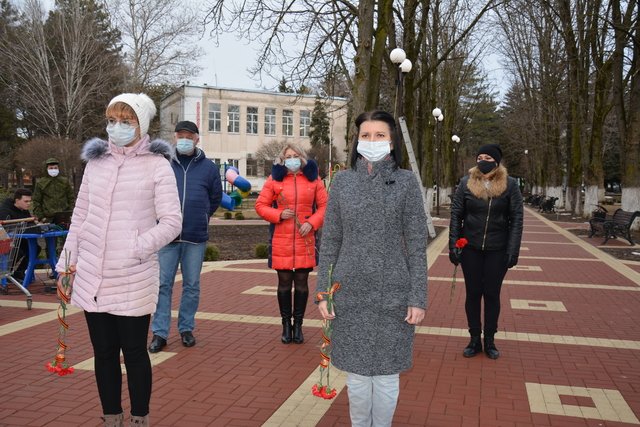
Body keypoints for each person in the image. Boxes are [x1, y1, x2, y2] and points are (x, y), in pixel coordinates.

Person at [56, 92, 182, 427]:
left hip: (132, 275)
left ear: (140, 125)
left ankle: (140, 416)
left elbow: (172, 221)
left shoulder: (157, 165)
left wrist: (137, 248)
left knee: (135, 353)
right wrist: (67, 265)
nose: (117, 127)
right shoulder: (96, 163)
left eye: (126, 121)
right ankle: (111, 415)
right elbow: (80, 216)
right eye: (112, 120)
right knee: (104, 354)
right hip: (93, 276)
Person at [316, 110, 428, 427]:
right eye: (366, 135)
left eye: (380, 135)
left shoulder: (406, 182)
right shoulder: (342, 182)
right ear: (357, 141)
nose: (372, 141)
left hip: (394, 292)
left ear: (392, 142)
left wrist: (418, 297)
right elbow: (331, 241)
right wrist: (323, 292)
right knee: (358, 379)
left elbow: (417, 245)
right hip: (349, 292)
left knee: (387, 375)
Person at [149, 121, 222, 353]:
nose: (184, 140)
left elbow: (215, 198)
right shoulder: (162, 164)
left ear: (197, 139)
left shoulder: (209, 168)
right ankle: (159, 333)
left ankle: (186, 328)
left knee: (191, 285)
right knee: (163, 285)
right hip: (166, 237)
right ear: (175, 137)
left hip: (195, 236)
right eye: (180, 136)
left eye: (189, 136)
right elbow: (151, 195)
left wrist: (201, 215)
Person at [448, 144, 523, 360]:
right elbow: (456, 215)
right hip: (471, 249)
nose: (482, 160)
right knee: (473, 294)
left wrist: (513, 249)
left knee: (491, 294)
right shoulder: (466, 183)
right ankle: (474, 339)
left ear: (497, 161)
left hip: (497, 250)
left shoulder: (510, 185)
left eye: (487, 157)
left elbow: (516, 219)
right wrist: (454, 244)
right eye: (479, 156)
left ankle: (489, 340)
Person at [255, 143, 328, 344]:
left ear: (302, 158)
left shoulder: (314, 180)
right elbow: (260, 206)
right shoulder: (274, 180)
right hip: (282, 239)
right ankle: (286, 325)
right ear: (282, 159)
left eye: (296, 155)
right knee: (285, 284)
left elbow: (324, 206)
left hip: (305, 239)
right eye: (288, 156)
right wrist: (278, 214)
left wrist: (311, 223)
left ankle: (299, 325)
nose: (292, 159)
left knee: (303, 284)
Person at [0, 188, 36, 281]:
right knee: (17, 251)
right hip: (6, 240)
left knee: (35, 248)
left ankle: (18, 272)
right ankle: (6, 274)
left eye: (29, 201)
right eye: (26, 201)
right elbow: (6, 226)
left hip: (19, 238)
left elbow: (30, 223)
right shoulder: (5, 210)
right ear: (17, 200)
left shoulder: (24, 210)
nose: (28, 203)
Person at [32, 158, 75, 224]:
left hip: (64, 216)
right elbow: (36, 201)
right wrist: (41, 217)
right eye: (51, 168)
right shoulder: (41, 183)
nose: (53, 170)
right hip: (48, 218)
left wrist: (71, 213)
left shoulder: (64, 181)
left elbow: (71, 198)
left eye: (55, 168)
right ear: (46, 169)